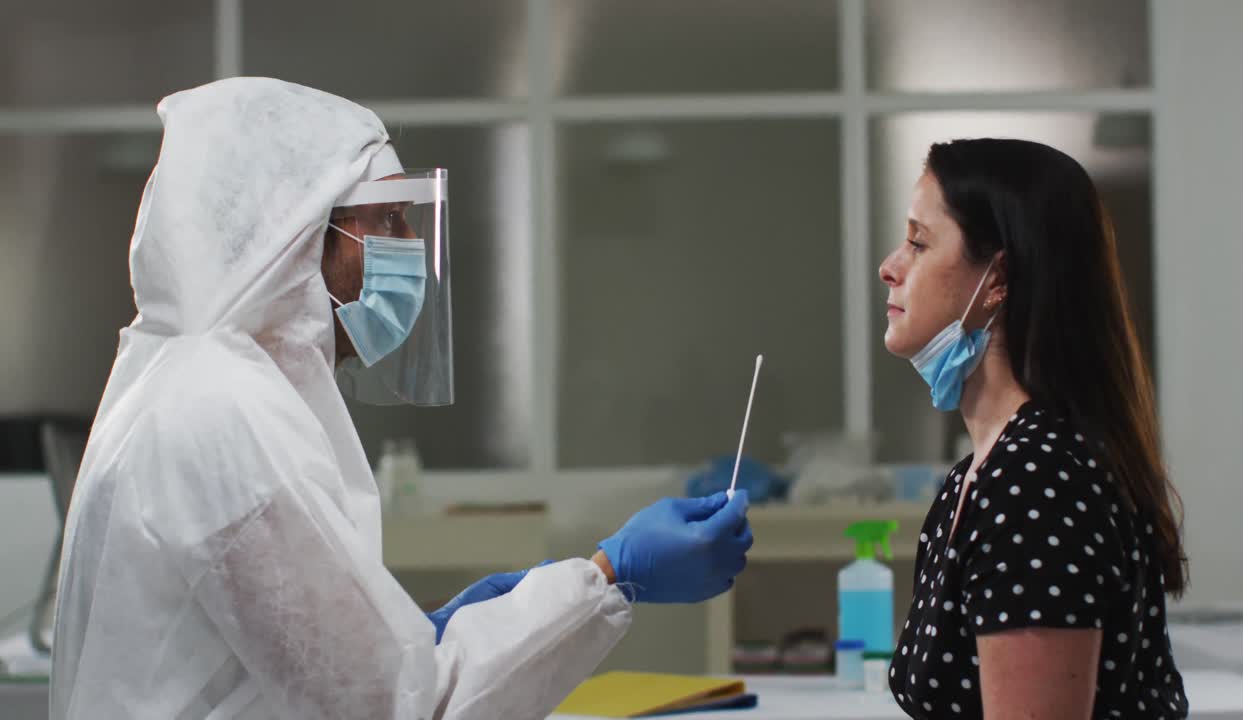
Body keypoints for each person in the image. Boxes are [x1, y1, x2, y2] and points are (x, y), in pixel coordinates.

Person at [49, 77, 753, 720]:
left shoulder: (184, 383)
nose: (410, 246)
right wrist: (610, 577)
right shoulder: (223, 415)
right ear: (293, 235)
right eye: (386, 219)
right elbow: (399, 710)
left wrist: (428, 632)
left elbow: (308, 669)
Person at [879, 138, 1188, 719]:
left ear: (997, 278)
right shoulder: (978, 476)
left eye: (918, 243)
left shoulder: (1035, 483)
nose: (889, 267)